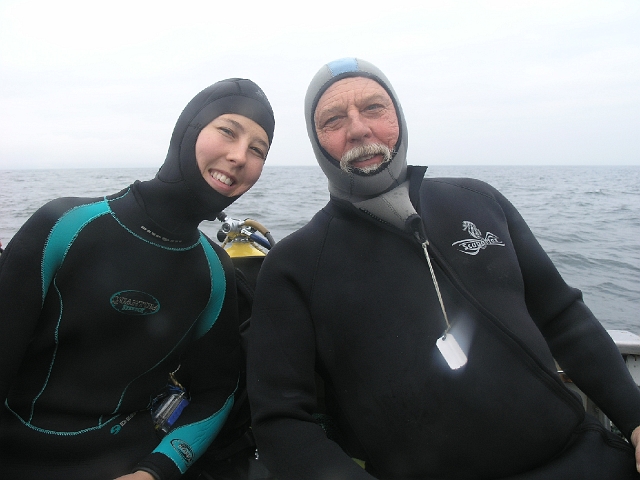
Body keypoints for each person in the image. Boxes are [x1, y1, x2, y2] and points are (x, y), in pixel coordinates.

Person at [246, 58, 640, 479]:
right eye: (334, 119)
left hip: (581, 456)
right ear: (316, 140)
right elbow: (281, 419)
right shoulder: (294, 265)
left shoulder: (480, 202)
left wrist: (635, 419)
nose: (358, 129)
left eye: (374, 108)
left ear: (399, 116)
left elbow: (563, 317)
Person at [0, 78, 275, 480]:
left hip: (131, 464)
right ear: (187, 131)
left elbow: (217, 394)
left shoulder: (215, 270)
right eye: (228, 131)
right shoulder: (66, 227)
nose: (239, 156)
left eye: (257, 150)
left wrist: (156, 470)